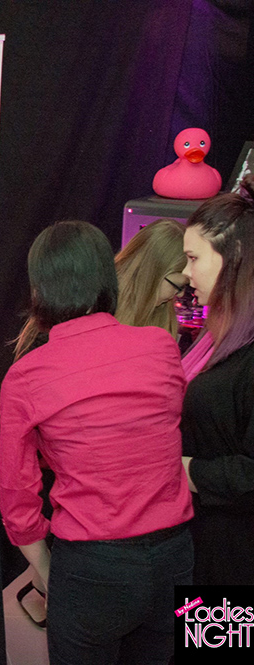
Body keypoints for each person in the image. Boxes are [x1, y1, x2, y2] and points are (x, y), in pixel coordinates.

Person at [0, 221, 193, 664]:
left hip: (92, 566)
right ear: (108, 276)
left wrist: (46, 570)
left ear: (39, 289)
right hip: (173, 557)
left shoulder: (28, 376)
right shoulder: (161, 345)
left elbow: (17, 497)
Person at [179, 174, 254, 584]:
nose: (186, 273)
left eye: (193, 258)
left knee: (220, 627)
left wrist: (183, 469)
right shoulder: (218, 337)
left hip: (237, 557)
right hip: (209, 545)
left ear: (234, 254)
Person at [114, 218, 188, 335]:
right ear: (154, 273)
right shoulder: (102, 303)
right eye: (178, 286)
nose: (181, 294)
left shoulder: (162, 310)